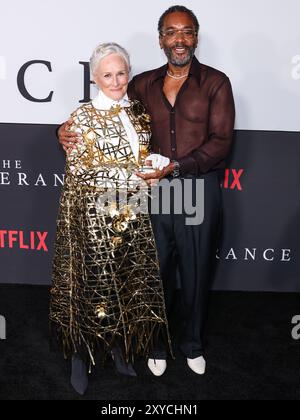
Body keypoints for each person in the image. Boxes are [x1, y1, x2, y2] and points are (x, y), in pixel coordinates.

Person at [58, 5, 235, 377]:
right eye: (171, 32)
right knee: (153, 274)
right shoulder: (143, 84)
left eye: (186, 32)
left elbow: (221, 143)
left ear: (196, 37)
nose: (179, 39)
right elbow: (107, 115)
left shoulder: (216, 82)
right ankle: (155, 344)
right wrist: (61, 131)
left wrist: (178, 166)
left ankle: (192, 345)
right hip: (151, 193)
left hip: (196, 190)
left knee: (196, 272)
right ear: (161, 40)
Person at [50, 42, 172, 395]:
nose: (116, 81)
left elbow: (142, 156)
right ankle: (79, 356)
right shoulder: (81, 118)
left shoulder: (139, 113)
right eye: (108, 75)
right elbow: (79, 174)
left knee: (125, 284)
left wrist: (151, 167)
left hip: (133, 215)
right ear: (95, 78)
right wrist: (126, 177)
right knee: (92, 287)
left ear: (128, 73)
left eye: (121, 73)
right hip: (94, 217)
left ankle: (120, 349)